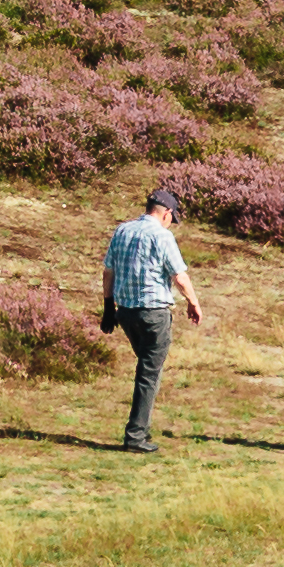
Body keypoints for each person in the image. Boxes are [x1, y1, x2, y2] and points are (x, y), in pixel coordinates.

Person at [98, 185, 203, 452]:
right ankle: (136, 436)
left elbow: (108, 272)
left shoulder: (122, 230)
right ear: (167, 213)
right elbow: (179, 275)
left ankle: (140, 430)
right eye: (173, 217)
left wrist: (108, 307)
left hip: (126, 313)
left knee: (146, 368)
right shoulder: (162, 236)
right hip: (154, 313)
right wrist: (193, 303)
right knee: (148, 374)